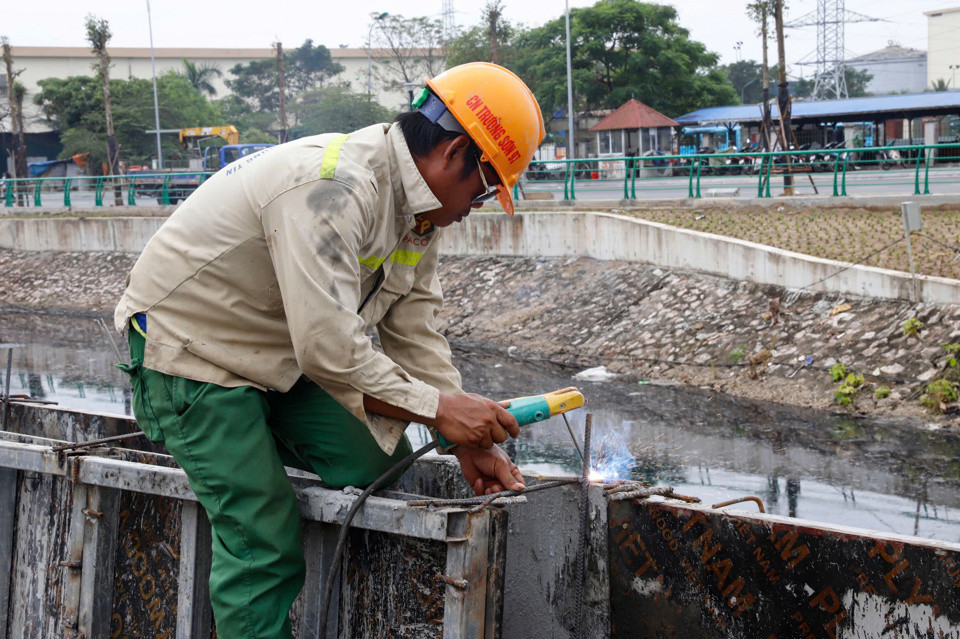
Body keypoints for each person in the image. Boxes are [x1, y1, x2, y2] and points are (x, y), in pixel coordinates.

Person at [114, 62, 545, 638]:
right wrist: (438, 411)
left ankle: (252, 442)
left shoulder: (418, 215)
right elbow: (328, 348)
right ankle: (238, 459)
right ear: (452, 153)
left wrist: (458, 433)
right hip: (193, 354)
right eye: (485, 185)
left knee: (375, 466)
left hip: (279, 359)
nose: (481, 203)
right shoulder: (334, 188)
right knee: (261, 535)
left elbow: (413, 326)